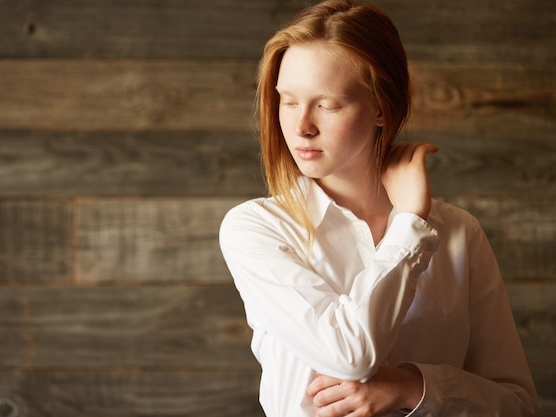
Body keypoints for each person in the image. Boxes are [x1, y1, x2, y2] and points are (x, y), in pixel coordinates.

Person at [218, 1, 541, 416]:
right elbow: (350, 355)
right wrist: (407, 228)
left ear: (382, 108)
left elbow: (520, 405)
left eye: (328, 104)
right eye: (288, 101)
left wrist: (414, 387)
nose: (301, 127)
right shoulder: (257, 229)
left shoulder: (459, 233)